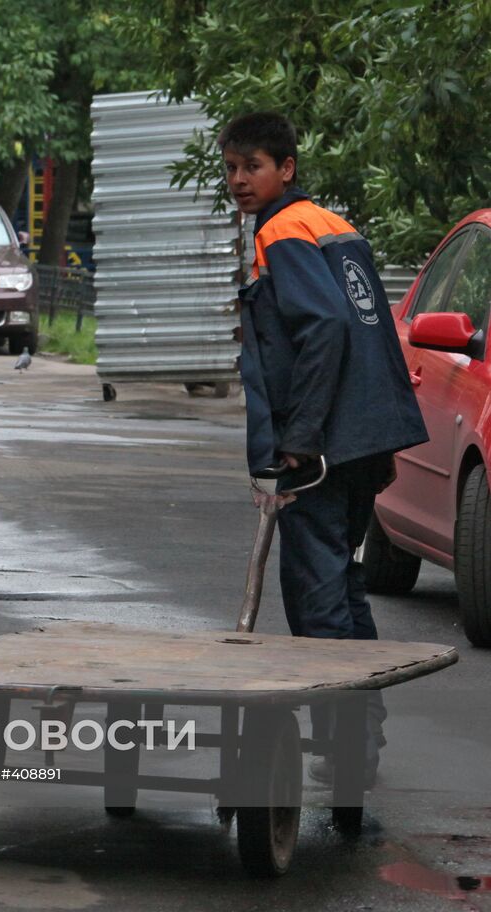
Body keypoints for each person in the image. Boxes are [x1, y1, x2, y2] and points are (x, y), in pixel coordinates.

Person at [221, 112, 428, 782]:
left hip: (324, 448)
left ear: (287, 169)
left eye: (252, 166)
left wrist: (300, 441)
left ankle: (343, 748)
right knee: (344, 582)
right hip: (364, 435)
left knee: (317, 599)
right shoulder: (335, 227)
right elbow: (372, 330)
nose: (239, 181)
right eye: (230, 168)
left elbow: (328, 329)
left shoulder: (283, 232)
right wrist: (382, 432)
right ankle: (358, 744)